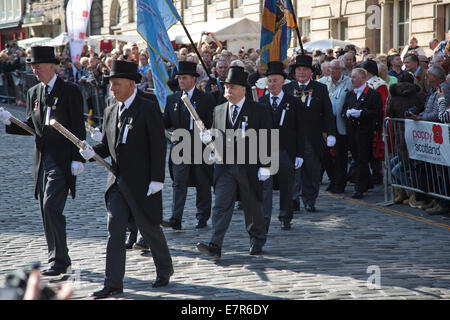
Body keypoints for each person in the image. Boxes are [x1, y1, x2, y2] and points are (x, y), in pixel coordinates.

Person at [79, 60, 173, 298]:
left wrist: (157, 179)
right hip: (117, 183)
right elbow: (107, 145)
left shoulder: (147, 107)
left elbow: (158, 145)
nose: (112, 89)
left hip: (143, 183)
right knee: (115, 230)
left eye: (117, 84)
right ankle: (113, 282)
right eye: (110, 84)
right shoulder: (111, 109)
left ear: (131, 84)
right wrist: (91, 153)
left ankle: (164, 268)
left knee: (149, 228)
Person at [0, 46, 86, 276]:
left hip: (63, 159)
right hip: (42, 159)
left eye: (38, 66)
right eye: (33, 67)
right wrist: (11, 122)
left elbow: (79, 128)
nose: (35, 70)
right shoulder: (34, 92)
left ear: (51, 66)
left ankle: (60, 259)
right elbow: (33, 128)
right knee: (44, 210)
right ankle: (56, 257)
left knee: (51, 206)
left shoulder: (70, 91)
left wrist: (78, 158)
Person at [196, 66, 273, 259]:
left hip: (249, 165)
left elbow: (267, 137)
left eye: (232, 87)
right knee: (221, 204)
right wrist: (208, 142)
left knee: (252, 205)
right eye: (226, 86)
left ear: (243, 90)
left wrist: (266, 165)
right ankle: (215, 244)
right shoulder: (219, 109)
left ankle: (257, 239)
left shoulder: (258, 110)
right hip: (225, 167)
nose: (228, 90)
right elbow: (216, 135)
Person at [162, 61, 215, 230]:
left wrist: (210, 135)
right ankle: (175, 218)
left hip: (200, 147)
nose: (181, 81)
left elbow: (213, 121)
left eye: (184, 78)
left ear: (193, 79)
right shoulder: (173, 99)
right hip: (180, 148)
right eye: (179, 78)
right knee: (179, 183)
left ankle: (202, 217)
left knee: (202, 183)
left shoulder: (205, 99)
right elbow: (165, 122)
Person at [283, 54, 336, 212]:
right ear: (294, 72)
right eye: (299, 69)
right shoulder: (287, 88)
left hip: (312, 137)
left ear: (310, 72)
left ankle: (309, 200)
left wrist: (330, 133)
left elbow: (328, 112)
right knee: (293, 170)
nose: (301, 72)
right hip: (292, 138)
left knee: (311, 170)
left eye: (305, 70)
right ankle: (293, 199)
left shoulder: (320, 88)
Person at [259, 61, 304, 231]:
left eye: (275, 80)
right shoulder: (261, 102)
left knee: (286, 186)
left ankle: (286, 216)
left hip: (286, 151)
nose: (272, 84)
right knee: (265, 187)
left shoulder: (293, 102)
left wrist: (299, 154)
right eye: (269, 81)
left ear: (283, 82)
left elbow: (301, 130)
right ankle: (264, 220)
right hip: (266, 152)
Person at [342, 68, 383, 199]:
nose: (351, 79)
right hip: (352, 131)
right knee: (357, 157)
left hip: (365, 131)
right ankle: (368, 182)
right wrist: (347, 114)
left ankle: (359, 187)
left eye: (354, 77)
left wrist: (361, 113)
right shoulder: (350, 94)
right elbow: (344, 110)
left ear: (362, 78)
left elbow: (377, 113)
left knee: (362, 159)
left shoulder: (372, 94)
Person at [318, 59, 353, 194]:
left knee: (340, 155)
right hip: (325, 123)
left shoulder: (348, 82)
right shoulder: (322, 82)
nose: (333, 71)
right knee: (325, 155)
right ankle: (333, 179)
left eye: (336, 69)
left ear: (342, 70)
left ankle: (340, 183)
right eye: (331, 69)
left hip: (340, 123)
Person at [360, 59, 389, 185]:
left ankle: (377, 174)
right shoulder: (364, 83)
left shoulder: (379, 84)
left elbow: (382, 104)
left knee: (374, 150)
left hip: (374, 121)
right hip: (364, 121)